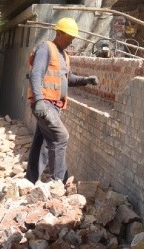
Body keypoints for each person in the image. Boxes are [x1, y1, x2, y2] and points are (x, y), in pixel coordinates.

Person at [26, 17, 99, 183]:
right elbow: (36, 75)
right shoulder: (46, 48)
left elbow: (67, 78)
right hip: (44, 104)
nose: (71, 41)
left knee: (43, 142)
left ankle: (30, 180)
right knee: (61, 137)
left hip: (54, 106)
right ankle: (59, 181)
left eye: (73, 38)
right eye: (69, 37)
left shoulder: (63, 55)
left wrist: (85, 80)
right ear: (58, 33)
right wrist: (38, 101)